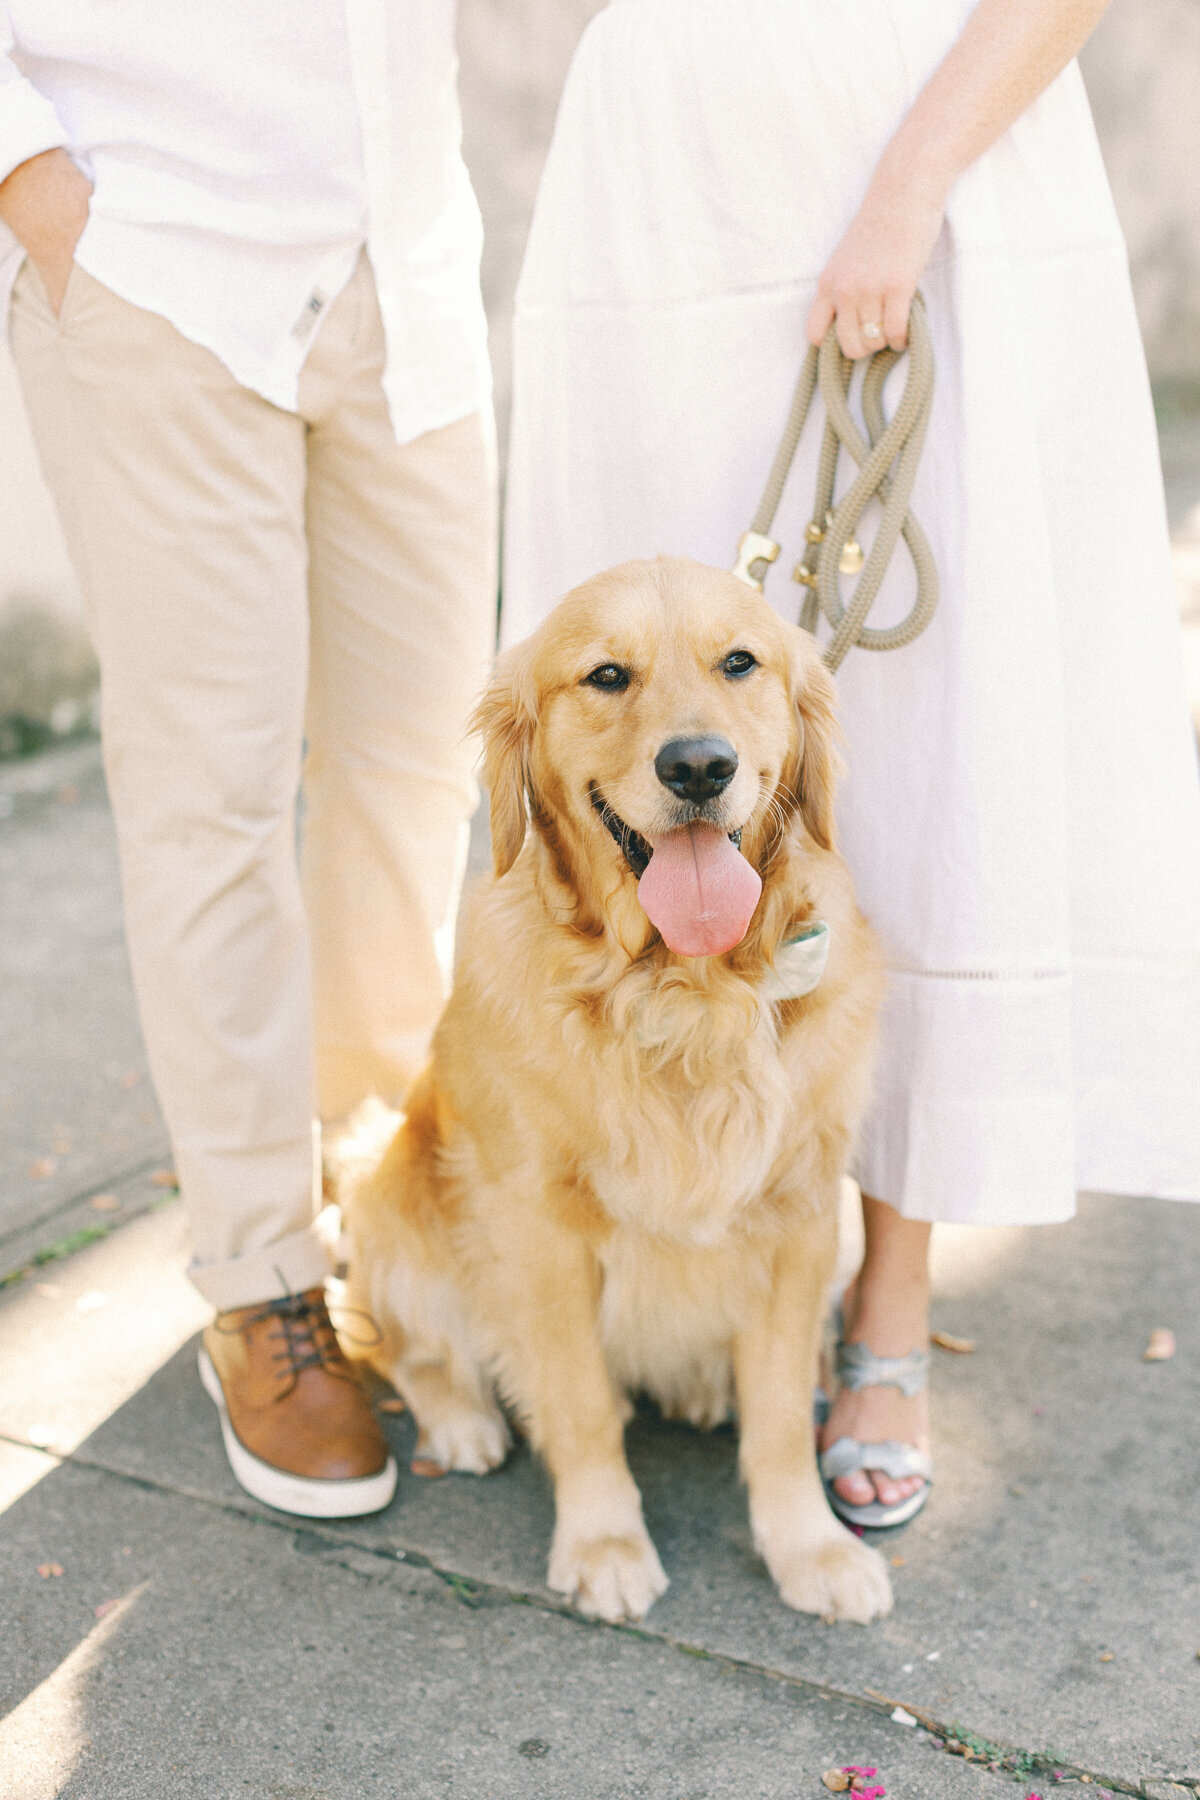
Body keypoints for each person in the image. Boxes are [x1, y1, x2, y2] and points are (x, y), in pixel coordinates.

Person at [502, 0, 1200, 1527]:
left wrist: (908, 185)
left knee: (934, 748)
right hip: (663, 196)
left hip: (916, 153)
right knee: (639, 705)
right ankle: (655, 1245)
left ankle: (881, 1313)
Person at [0, 3, 497, 1518]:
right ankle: (261, 1284)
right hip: (161, 252)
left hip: (405, 260)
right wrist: (37, 185)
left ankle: (385, 1212)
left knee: (417, 769)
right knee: (210, 803)